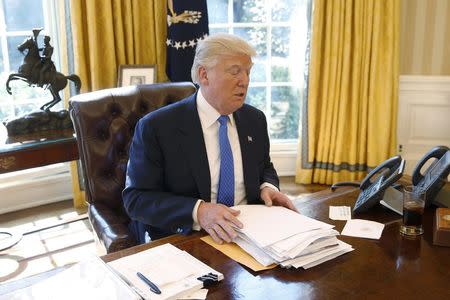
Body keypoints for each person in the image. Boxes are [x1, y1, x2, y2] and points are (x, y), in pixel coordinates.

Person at [123, 33, 297, 245]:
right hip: (188, 236)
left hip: (249, 233)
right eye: (235, 72)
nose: (245, 81)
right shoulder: (156, 127)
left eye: (248, 72)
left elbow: (265, 167)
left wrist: (268, 188)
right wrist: (199, 211)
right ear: (204, 75)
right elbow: (137, 199)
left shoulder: (255, 120)